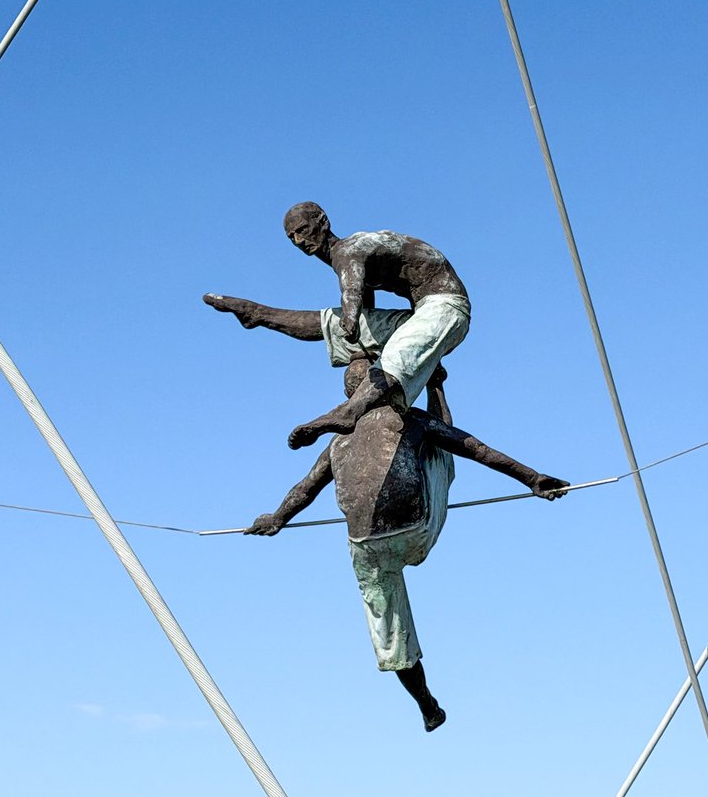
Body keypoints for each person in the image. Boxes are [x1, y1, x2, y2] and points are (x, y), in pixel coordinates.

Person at [244, 359, 568, 731]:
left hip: (366, 547)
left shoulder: (336, 444)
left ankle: (428, 706)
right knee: (442, 448)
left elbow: (304, 490)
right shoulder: (407, 419)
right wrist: (532, 478)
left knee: (391, 639)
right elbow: (476, 448)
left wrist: (277, 518)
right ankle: (437, 385)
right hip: (417, 530)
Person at [204, 202, 470, 449]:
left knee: (399, 349)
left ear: (323, 222)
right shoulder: (348, 257)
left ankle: (349, 412)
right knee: (333, 322)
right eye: (292, 237)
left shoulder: (347, 250)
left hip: (447, 307)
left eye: (303, 230)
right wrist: (356, 332)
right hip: (421, 312)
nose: (299, 241)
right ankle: (258, 314)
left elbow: (351, 293)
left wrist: (352, 319)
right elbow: (365, 311)